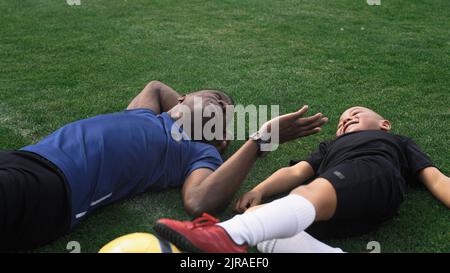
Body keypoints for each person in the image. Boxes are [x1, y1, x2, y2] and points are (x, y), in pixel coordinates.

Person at [0, 80, 327, 251]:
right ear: (182, 98)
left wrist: (257, 141)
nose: (223, 105)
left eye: (226, 112)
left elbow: (199, 202)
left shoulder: (197, 152)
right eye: (215, 97)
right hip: (24, 158)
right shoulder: (144, 113)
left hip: (56, 187)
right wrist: (185, 110)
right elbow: (156, 87)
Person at [154, 106, 450, 253]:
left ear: (384, 124)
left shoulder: (394, 142)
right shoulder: (329, 148)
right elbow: (296, 172)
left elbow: (435, 179)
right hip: (336, 211)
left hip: (371, 178)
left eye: (356, 113)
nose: (346, 118)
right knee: (265, 217)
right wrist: (260, 189)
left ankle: (228, 234)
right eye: (342, 120)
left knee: (312, 190)